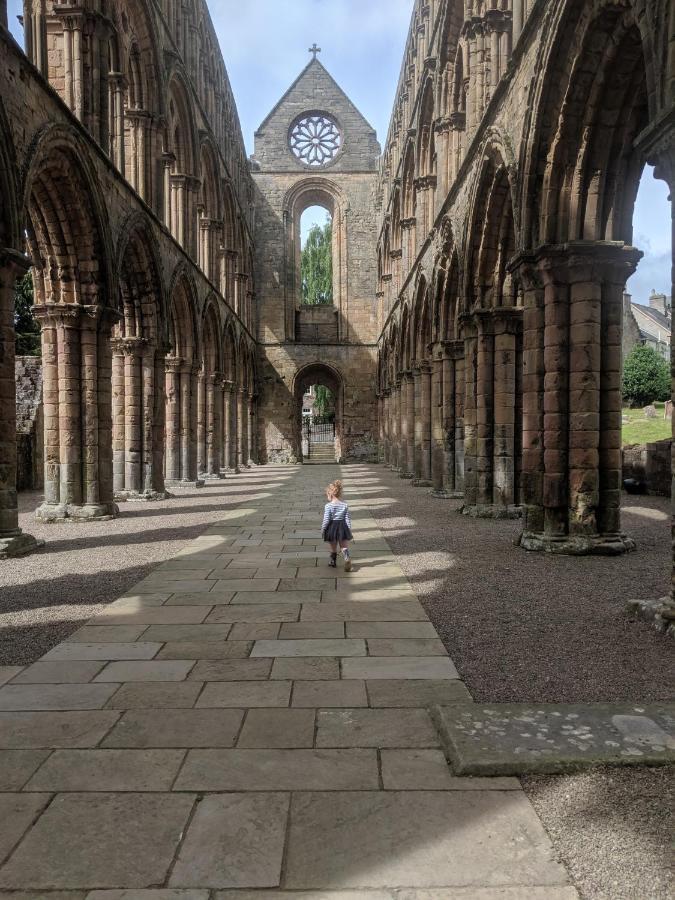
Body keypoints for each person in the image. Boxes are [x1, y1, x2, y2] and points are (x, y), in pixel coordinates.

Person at [321, 479, 353, 571]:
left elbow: (326, 520)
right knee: (344, 546)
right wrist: (349, 529)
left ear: (330, 494)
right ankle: (346, 558)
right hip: (343, 527)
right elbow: (347, 518)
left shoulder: (328, 506)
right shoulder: (344, 505)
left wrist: (323, 529)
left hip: (332, 527)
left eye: (327, 494)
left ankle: (333, 562)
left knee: (333, 547)